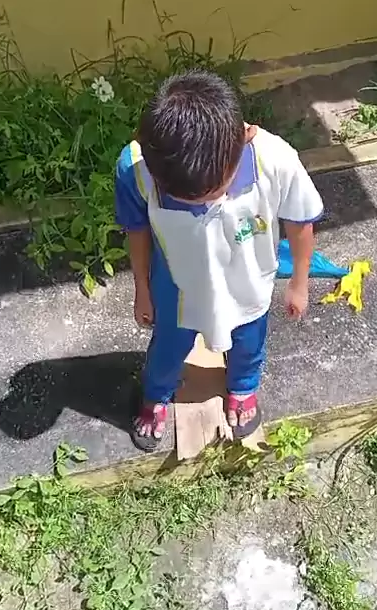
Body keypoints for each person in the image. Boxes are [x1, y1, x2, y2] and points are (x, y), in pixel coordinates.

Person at [115, 70, 323, 451]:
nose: (201, 206)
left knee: (249, 341)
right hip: (176, 286)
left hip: (249, 281)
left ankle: (243, 386)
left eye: (211, 193)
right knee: (167, 347)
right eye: (179, 197)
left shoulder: (276, 161)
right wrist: (142, 288)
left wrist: (299, 282)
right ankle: (156, 393)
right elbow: (137, 230)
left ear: (245, 138)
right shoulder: (137, 170)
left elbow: (300, 221)